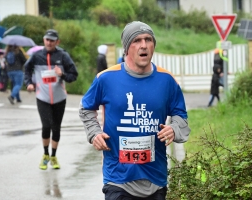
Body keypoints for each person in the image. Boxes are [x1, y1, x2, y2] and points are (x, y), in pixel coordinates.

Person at [79, 21, 191, 199]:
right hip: (118, 179)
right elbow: (86, 109)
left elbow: (180, 115)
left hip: (155, 179)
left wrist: (174, 129)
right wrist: (94, 133)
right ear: (126, 48)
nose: (144, 45)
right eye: (137, 40)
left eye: (148, 39)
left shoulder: (167, 80)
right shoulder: (106, 78)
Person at [24, 29, 78, 170]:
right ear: (44, 40)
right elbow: (27, 69)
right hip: (42, 97)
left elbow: (74, 75)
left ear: (57, 42)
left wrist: (63, 74)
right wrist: (29, 83)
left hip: (59, 98)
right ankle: (45, 154)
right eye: (47, 40)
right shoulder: (36, 56)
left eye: (52, 40)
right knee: (46, 125)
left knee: (56, 127)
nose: (49, 42)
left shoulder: (63, 56)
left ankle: (53, 156)